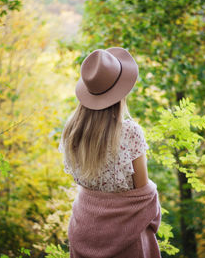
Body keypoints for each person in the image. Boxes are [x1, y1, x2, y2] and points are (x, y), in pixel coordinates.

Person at [59, 47, 161, 258]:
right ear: (120, 92)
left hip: (84, 230)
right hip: (126, 236)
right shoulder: (130, 132)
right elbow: (143, 192)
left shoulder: (72, 131)